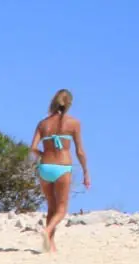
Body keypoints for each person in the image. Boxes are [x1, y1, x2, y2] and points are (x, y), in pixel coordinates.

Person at [30, 89, 90, 253]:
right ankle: (47, 231)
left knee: (51, 207)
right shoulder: (73, 123)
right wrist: (85, 172)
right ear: (69, 104)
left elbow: (33, 148)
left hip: (45, 167)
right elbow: (80, 151)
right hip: (62, 167)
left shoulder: (43, 124)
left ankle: (51, 245)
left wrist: (44, 154)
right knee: (62, 210)